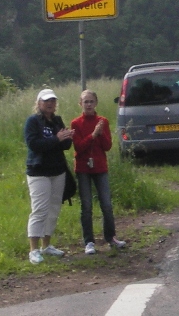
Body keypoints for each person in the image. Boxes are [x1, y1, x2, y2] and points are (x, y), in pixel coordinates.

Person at [70, 90, 126, 255]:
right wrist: (92, 135)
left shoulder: (103, 121)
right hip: (83, 168)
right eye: (85, 102)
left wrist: (100, 135)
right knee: (86, 205)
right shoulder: (76, 123)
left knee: (106, 204)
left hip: (100, 167)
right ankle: (89, 241)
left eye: (91, 101)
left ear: (96, 103)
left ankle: (111, 237)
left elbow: (107, 146)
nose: (88, 105)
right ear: (80, 104)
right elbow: (78, 147)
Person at [24, 88, 73, 264]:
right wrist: (57, 139)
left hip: (57, 170)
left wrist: (68, 138)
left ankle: (46, 245)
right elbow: (34, 144)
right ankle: (33, 249)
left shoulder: (57, 121)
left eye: (52, 100)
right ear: (39, 103)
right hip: (39, 171)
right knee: (39, 209)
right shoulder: (33, 122)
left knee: (54, 209)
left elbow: (64, 145)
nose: (50, 103)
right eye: (46, 101)